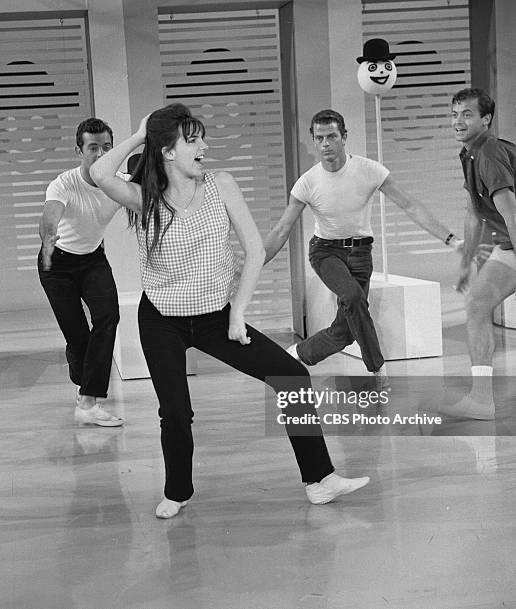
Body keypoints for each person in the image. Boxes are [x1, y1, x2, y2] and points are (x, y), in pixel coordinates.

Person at [90, 103, 370, 519]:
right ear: (167, 151)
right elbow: (99, 174)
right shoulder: (143, 198)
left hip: (215, 314)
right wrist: (139, 133)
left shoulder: (221, 184)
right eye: (193, 139)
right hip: (160, 319)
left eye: (202, 137)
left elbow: (255, 249)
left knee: (291, 375)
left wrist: (238, 312)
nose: (204, 145)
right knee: (176, 411)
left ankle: (320, 479)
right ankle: (177, 491)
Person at [264, 109, 461, 387]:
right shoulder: (307, 183)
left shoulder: (370, 170)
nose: (325, 145)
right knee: (354, 297)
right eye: (319, 138)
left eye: (331, 137)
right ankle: (378, 370)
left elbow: (410, 205)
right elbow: (282, 230)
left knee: (343, 332)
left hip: (360, 253)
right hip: (325, 252)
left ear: (344, 137)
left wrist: (450, 238)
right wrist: (253, 265)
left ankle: (298, 353)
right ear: (313, 140)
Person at [38, 118, 123, 427]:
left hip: (92, 260)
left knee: (108, 316)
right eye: (92, 148)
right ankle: (83, 383)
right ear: (79, 150)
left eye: (106, 147)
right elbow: (50, 216)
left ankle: (88, 400)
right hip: (56, 264)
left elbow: (149, 196)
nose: (100, 154)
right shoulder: (63, 184)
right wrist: (48, 233)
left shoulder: (119, 183)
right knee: (78, 337)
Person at [440, 88, 516, 420]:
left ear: (485, 120)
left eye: (467, 114)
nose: (458, 121)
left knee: (477, 303)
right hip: (507, 244)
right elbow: (475, 212)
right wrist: (465, 263)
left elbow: (512, 213)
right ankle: (482, 401)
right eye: (455, 114)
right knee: (477, 302)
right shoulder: (468, 153)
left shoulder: (488, 155)